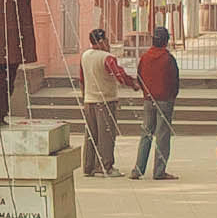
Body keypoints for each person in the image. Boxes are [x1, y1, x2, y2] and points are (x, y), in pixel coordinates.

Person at [129, 26, 181, 179]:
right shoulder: (168, 59)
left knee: (146, 134)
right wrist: (172, 96)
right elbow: (174, 81)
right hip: (165, 100)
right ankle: (159, 171)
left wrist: (146, 92)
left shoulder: (145, 57)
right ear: (166, 41)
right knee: (162, 135)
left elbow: (139, 77)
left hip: (148, 100)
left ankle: (138, 170)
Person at [76, 27, 125, 176]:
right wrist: (133, 83)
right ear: (102, 41)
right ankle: (106, 167)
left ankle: (88, 166)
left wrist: (84, 96)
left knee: (91, 134)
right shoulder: (107, 58)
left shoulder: (85, 56)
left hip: (89, 100)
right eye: (107, 40)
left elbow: (82, 79)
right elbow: (120, 76)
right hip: (105, 101)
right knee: (106, 135)